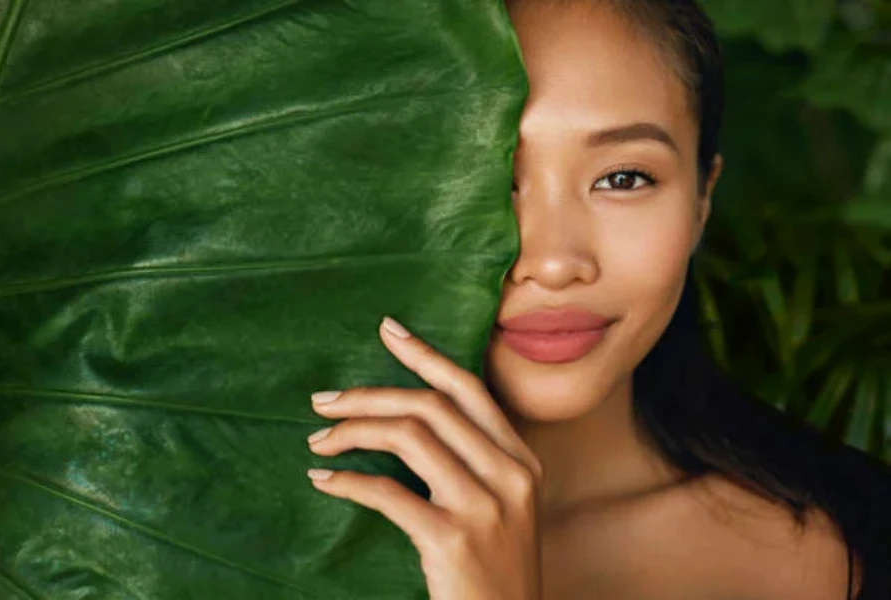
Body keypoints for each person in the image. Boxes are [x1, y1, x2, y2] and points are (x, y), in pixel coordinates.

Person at [306, 0, 891, 598]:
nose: (555, 263)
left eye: (623, 178)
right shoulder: (243, 539)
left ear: (700, 201)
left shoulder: (860, 540)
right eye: (484, 178)